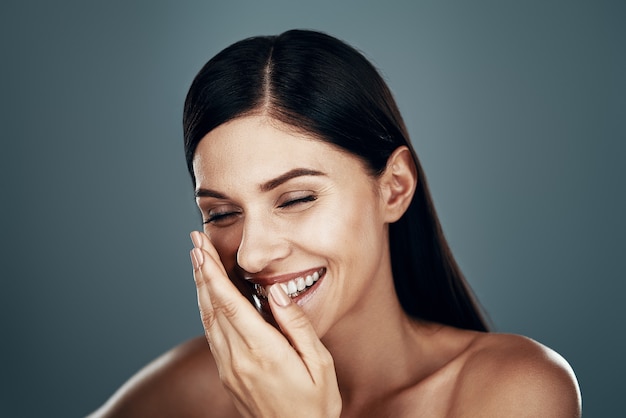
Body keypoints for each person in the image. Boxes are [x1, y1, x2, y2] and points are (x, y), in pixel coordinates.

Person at [90, 29, 581, 417]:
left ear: (394, 188)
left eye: (296, 198)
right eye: (221, 213)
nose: (251, 254)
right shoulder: (199, 387)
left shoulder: (513, 392)